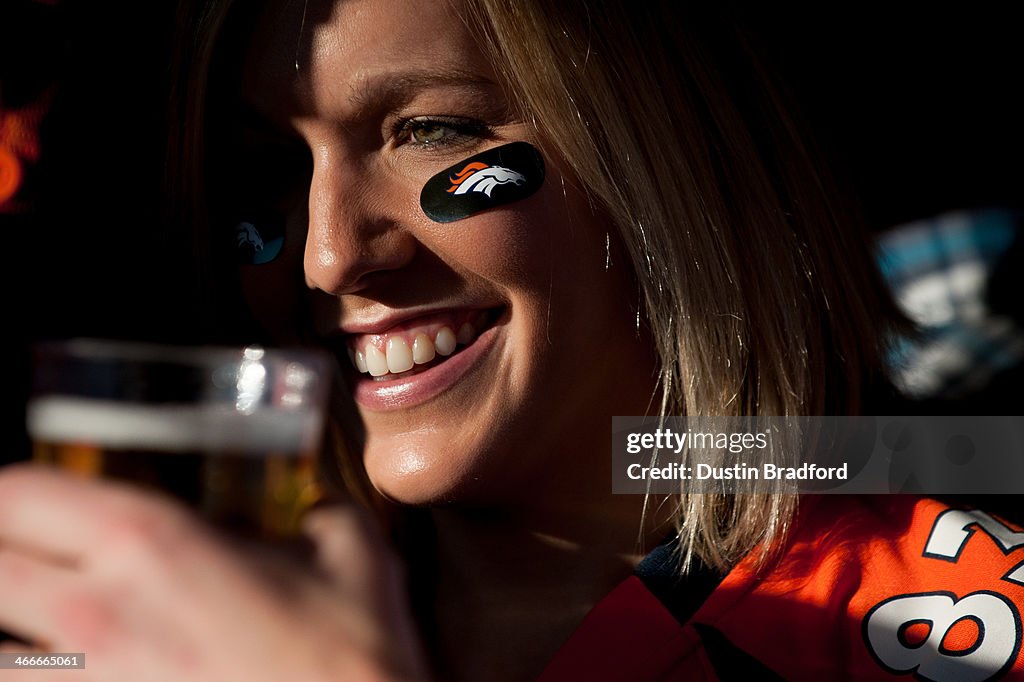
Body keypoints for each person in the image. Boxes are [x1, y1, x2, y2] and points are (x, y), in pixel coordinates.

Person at [2, 1, 1022, 680]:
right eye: (260, 170)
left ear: (661, 154)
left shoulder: (957, 628)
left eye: (430, 130)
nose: (328, 254)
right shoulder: (140, 621)